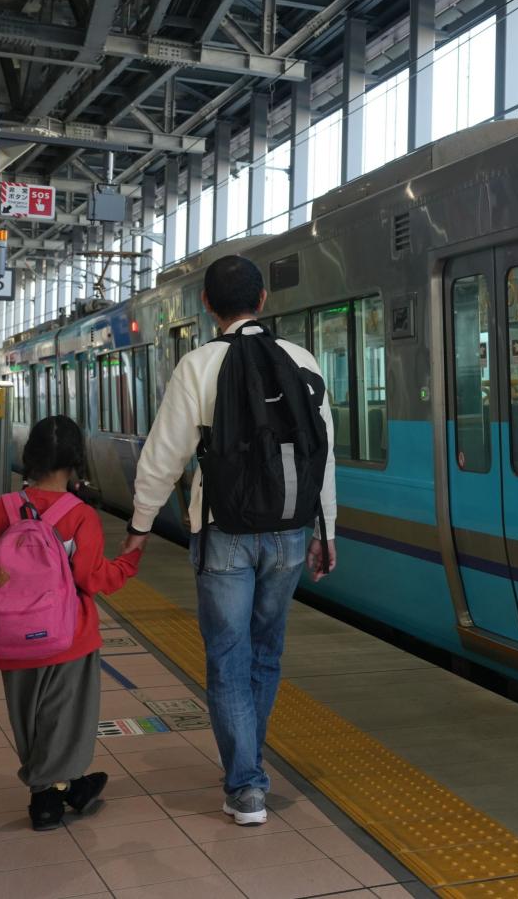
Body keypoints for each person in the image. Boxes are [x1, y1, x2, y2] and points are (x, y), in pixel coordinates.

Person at [123, 254, 337, 827]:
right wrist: (326, 529)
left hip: (224, 535)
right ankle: (250, 766)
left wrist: (140, 527)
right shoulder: (302, 360)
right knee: (265, 653)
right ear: (264, 299)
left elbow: (162, 458)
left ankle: (246, 785)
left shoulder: (198, 367)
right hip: (291, 533)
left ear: (207, 306)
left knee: (226, 658)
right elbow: (322, 455)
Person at [0, 415, 143, 831]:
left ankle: (71, 787)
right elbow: (93, 578)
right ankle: (45, 797)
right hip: (69, 635)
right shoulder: (80, 516)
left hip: (12, 638)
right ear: (77, 461)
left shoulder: (4, 508)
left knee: (29, 715)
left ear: (30, 459)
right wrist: (130, 561)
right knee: (69, 714)